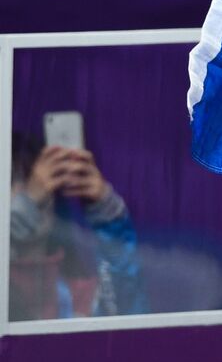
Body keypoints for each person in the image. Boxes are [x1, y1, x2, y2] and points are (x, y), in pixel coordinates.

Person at [10, 133, 147, 320]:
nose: (34, 191)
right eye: (9, 182)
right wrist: (24, 210)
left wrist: (106, 212)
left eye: (30, 178)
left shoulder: (84, 298)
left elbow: (131, 320)